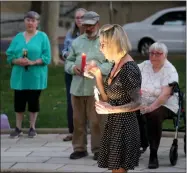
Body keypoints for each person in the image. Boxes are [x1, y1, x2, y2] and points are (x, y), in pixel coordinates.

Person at [86, 24, 142, 173]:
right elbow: (106, 98)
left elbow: (138, 102)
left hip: (125, 128)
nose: (100, 48)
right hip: (114, 126)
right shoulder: (116, 64)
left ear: (114, 44)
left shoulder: (129, 68)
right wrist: (98, 75)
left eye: (103, 44)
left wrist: (112, 109)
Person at [64, 11, 112, 160]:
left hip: (96, 88)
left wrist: (98, 70)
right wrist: (73, 68)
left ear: (97, 24)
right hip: (77, 87)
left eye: (91, 26)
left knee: (96, 121)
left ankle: (98, 150)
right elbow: (68, 61)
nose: (88, 28)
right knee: (78, 120)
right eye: (85, 25)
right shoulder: (77, 41)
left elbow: (111, 63)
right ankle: (79, 148)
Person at [6, 11, 51, 138]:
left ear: (37, 23)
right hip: (20, 75)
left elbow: (47, 57)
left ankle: (32, 127)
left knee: (33, 101)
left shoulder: (43, 37)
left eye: (33, 20)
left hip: (35, 75)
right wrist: (16, 60)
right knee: (19, 101)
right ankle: (18, 128)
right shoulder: (18, 37)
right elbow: (9, 55)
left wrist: (33, 62)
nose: (30, 23)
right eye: (28, 20)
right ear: (24, 22)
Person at [138, 42, 179, 169]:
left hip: (165, 104)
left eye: (158, 53)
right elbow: (130, 74)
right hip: (144, 101)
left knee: (154, 114)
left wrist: (150, 107)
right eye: (152, 53)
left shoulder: (169, 70)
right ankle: (142, 143)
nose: (154, 56)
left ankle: (153, 154)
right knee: (129, 110)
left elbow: (165, 95)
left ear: (165, 55)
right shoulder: (144, 65)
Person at [61, 8, 87, 142]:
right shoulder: (70, 34)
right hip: (71, 72)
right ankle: (72, 132)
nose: (79, 20)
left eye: (82, 17)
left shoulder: (92, 34)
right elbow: (64, 50)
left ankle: (87, 130)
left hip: (87, 73)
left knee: (87, 102)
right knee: (71, 102)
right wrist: (66, 55)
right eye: (77, 18)